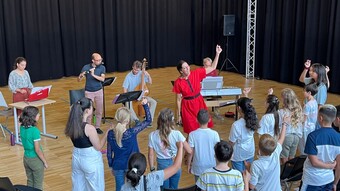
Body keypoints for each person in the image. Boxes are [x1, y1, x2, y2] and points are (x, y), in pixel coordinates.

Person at [173, 44, 222, 134]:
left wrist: (217, 54)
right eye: (185, 67)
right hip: (187, 107)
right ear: (181, 71)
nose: (188, 68)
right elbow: (178, 100)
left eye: (188, 66)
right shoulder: (178, 82)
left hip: (199, 102)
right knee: (191, 132)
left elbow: (213, 67)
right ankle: (190, 148)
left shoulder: (197, 73)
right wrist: (179, 115)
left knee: (205, 127)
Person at [64, 97, 109, 191]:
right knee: (96, 187)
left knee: (78, 187)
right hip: (90, 160)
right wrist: (106, 134)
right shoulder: (89, 128)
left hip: (76, 157)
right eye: (93, 107)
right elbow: (99, 147)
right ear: (88, 111)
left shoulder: (72, 124)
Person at [107, 98, 151, 191]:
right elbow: (148, 121)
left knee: (119, 189)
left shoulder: (110, 133)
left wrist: (111, 165)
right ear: (127, 121)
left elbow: (109, 153)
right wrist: (145, 105)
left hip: (117, 166)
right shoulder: (131, 132)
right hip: (132, 166)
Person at [148, 108, 191, 189]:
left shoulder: (152, 135)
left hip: (161, 165)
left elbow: (150, 155)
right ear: (172, 121)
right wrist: (180, 152)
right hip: (175, 163)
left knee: (164, 188)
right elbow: (189, 150)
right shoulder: (177, 134)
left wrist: (152, 168)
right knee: (174, 187)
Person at [300, 104, 340, 191]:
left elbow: (314, 162)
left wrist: (330, 166)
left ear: (320, 118)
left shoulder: (312, 136)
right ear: (333, 119)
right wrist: (335, 183)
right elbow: (339, 166)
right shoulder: (339, 137)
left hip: (312, 180)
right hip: (329, 179)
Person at [247, 115, 289, 190]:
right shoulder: (276, 152)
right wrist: (284, 124)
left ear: (259, 149)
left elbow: (252, 186)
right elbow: (281, 138)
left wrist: (247, 174)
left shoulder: (256, 165)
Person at [187, 109, 220, 181]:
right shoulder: (215, 134)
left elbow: (190, 152)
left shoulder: (192, 134)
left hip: (198, 166)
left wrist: (189, 165)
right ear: (209, 120)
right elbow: (218, 151)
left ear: (197, 120)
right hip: (212, 165)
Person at [19, 106, 47, 190]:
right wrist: (44, 161)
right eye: (37, 114)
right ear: (33, 117)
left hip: (26, 158)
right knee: (38, 184)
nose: (39, 115)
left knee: (30, 181)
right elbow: (37, 150)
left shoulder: (22, 128)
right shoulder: (35, 131)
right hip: (35, 160)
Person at [229, 97, 259, 172]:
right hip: (250, 151)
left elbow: (232, 142)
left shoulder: (236, 125)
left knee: (239, 177)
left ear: (239, 108)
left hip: (238, 154)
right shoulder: (254, 117)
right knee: (248, 174)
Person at [78, 53, 106, 134]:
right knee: (89, 111)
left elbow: (102, 79)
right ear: (93, 60)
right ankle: (88, 127)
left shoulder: (102, 67)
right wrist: (81, 76)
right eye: (97, 60)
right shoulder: (86, 67)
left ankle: (97, 127)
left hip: (99, 91)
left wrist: (93, 74)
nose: (99, 61)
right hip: (89, 91)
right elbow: (78, 80)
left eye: (100, 60)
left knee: (99, 110)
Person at [122, 60, 157, 125]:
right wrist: (126, 97)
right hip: (132, 96)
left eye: (137, 70)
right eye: (134, 69)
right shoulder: (128, 76)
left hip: (141, 95)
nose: (135, 71)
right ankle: (136, 120)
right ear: (132, 67)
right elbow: (125, 88)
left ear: (140, 69)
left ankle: (149, 119)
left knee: (154, 102)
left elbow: (150, 82)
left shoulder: (141, 73)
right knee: (128, 104)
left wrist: (148, 75)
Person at [279, 88, 304, 164]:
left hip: (286, 136)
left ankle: (285, 173)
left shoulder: (282, 112)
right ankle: (291, 172)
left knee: (284, 158)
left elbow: (280, 125)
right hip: (296, 137)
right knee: (291, 156)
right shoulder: (298, 109)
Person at [298, 83, 318, 155]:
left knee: (303, 146)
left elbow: (304, 119)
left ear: (309, 93)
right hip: (312, 127)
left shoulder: (308, 105)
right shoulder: (314, 102)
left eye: (304, 91)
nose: (303, 92)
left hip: (305, 128)